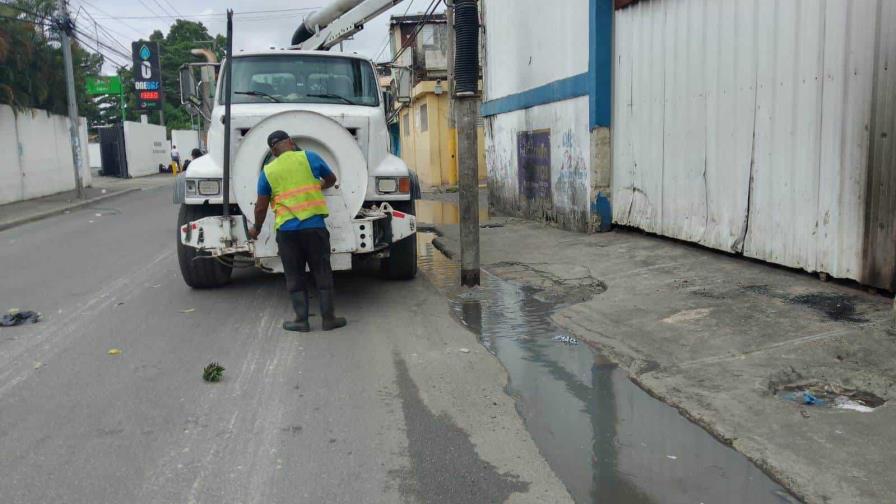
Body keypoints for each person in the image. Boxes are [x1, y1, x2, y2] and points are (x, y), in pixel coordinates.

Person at [247, 130, 347, 332]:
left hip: (287, 232)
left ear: (273, 151)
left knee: (294, 274)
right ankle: (329, 319)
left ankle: (301, 321)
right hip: (315, 228)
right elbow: (331, 179)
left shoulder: (268, 171)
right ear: (291, 142)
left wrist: (256, 229)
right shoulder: (310, 157)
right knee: (322, 271)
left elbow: (260, 207)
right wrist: (318, 184)